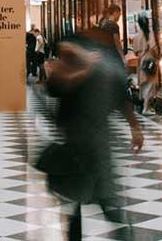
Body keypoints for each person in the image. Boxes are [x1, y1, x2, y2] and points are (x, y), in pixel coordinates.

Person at [42, 19, 143, 241]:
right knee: (84, 200)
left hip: (95, 139)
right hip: (78, 138)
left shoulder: (107, 60)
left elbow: (121, 94)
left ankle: (122, 236)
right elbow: (54, 86)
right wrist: (84, 68)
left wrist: (135, 126)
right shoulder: (78, 51)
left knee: (98, 198)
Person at [131, 13, 160, 114]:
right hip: (149, 59)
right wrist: (157, 57)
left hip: (141, 61)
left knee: (143, 83)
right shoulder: (149, 34)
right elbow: (153, 47)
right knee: (150, 83)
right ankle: (146, 107)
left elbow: (135, 51)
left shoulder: (136, 36)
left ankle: (146, 105)